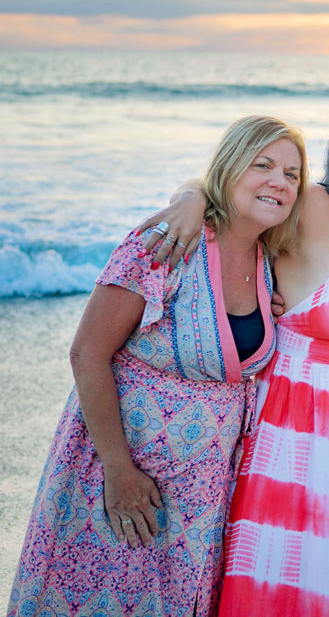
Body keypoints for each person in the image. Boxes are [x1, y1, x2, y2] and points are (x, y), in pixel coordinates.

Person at [7, 115, 308, 617]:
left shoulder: (269, 260)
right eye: (263, 165)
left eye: (293, 173)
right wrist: (119, 472)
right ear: (230, 168)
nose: (280, 180)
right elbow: (87, 354)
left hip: (204, 494)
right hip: (121, 473)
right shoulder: (167, 244)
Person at [142, 106, 329, 615]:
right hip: (298, 444)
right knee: (291, 589)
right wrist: (191, 198)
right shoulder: (321, 210)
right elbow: (243, 189)